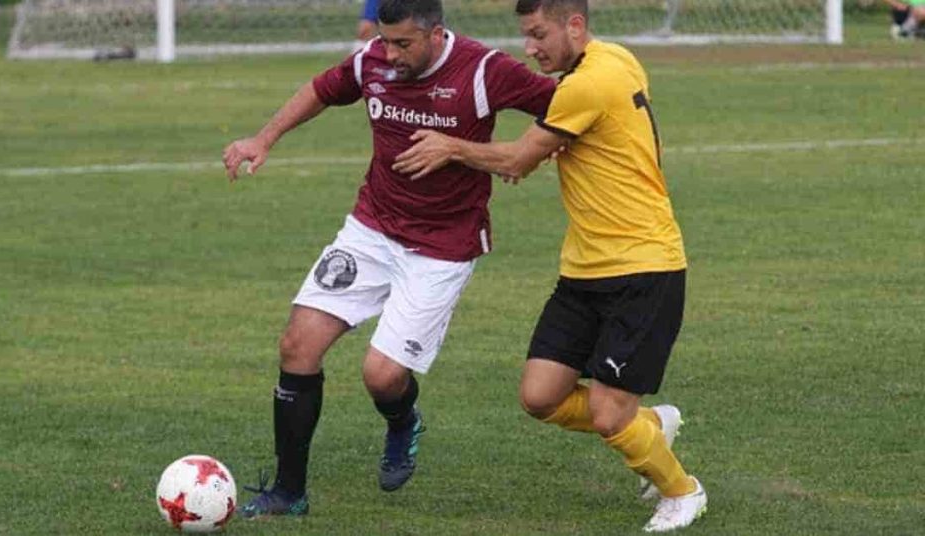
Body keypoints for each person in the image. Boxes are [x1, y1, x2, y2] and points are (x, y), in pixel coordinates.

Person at [221, 0, 555, 519]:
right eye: (386, 41)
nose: (390, 54)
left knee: (380, 376)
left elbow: (562, 107)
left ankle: (402, 421)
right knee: (297, 345)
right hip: (371, 231)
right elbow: (321, 90)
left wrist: (516, 154)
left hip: (443, 248)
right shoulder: (372, 60)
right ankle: (289, 493)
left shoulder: (485, 70)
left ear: (436, 33)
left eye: (404, 44)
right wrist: (263, 138)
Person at [392, 0, 706, 532]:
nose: (530, 48)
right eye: (526, 35)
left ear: (575, 26)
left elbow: (517, 159)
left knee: (608, 414)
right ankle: (650, 425)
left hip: (643, 268)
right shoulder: (614, 59)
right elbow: (561, 144)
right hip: (584, 269)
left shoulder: (586, 85)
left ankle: (683, 491)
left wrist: (452, 147)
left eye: (539, 35)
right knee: (540, 397)